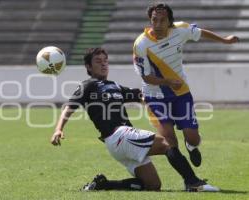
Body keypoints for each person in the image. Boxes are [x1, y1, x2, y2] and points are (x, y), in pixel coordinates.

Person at [51, 48, 218, 192]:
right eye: (98, 61)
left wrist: (157, 101)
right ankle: (193, 183)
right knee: (168, 144)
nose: (103, 64)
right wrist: (59, 129)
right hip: (119, 136)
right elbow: (69, 106)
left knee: (153, 185)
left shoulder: (114, 86)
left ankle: (104, 185)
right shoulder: (88, 86)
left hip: (118, 144)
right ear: (88, 66)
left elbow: (140, 95)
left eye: (105, 61)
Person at [133, 3, 239, 190]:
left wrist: (225, 41)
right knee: (170, 142)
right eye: (154, 20)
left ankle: (192, 147)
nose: (157, 24)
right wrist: (167, 82)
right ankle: (190, 181)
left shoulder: (180, 30)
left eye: (162, 20)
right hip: (155, 96)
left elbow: (200, 33)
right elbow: (145, 76)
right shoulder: (141, 44)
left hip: (181, 93)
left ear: (170, 22)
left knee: (192, 137)